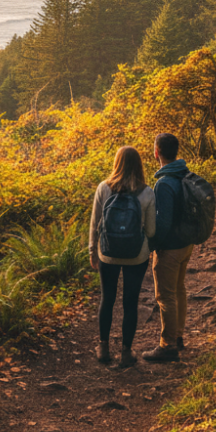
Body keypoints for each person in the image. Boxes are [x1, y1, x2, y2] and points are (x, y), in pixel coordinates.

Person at [89, 145, 156, 368]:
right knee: (130, 302)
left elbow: (95, 223)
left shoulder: (103, 188)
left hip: (107, 254)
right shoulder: (147, 192)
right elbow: (151, 231)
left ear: (116, 162)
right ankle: (126, 352)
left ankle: (103, 347)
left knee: (107, 299)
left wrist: (92, 250)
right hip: (137, 256)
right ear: (139, 165)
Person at [142, 132, 193, 363]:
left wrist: (152, 245)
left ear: (156, 152)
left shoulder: (163, 183)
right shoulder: (184, 173)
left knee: (166, 296)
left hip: (170, 248)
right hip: (186, 244)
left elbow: (161, 223)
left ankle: (168, 345)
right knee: (179, 289)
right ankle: (178, 336)